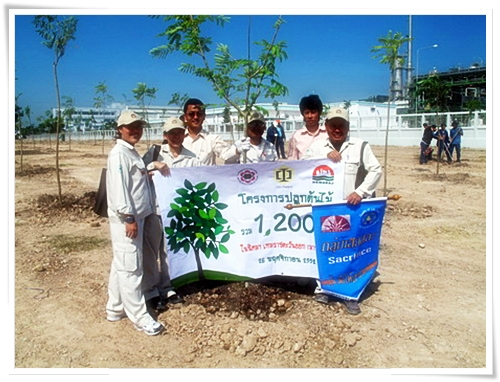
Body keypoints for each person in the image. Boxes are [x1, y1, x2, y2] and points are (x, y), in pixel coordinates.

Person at [302, 107, 382, 315]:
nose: (337, 129)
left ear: (347, 127)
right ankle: (325, 288)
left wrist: (361, 192)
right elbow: (301, 169)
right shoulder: (317, 147)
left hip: (352, 209)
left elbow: (376, 169)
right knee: (326, 250)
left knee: (351, 250)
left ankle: (351, 294)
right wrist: (323, 157)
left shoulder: (360, 146)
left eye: (341, 125)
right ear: (326, 127)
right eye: (333, 125)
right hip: (326, 210)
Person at [105, 110, 164, 336]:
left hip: (137, 217)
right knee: (131, 267)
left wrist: (151, 168)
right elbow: (120, 190)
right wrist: (128, 218)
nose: (135, 130)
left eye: (138, 126)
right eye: (130, 126)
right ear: (120, 129)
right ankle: (140, 318)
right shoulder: (118, 154)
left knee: (120, 263)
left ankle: (115, 307)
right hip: (127, 220)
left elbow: (134, 181)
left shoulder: (131, 153)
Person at [141, 117, 200, 311]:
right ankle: (150, 290)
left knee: (169, 252)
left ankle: (167, 287)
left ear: (184, 134)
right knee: (150, 252)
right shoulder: (155, 153)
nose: (176, 137)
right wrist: (152, 166)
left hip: (177, 213)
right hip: (154, 210)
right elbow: (137, 173)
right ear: (165, 135)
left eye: (179, 132)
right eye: (171, 133)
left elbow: (196, 182)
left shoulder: (192, 158)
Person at [181, 98, 233, 165]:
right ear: (185, 117)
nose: (195, 117)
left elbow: (226, 154)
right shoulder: (177, 139)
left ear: (204, 116)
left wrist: (237, 150)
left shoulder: (212, 140)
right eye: (191, 114)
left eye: (199, 114)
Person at [287, 94, 328, 160]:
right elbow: (292, 161)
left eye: (313, 112)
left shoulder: (327, 134)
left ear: (319, 113)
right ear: (303, 115)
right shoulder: (296, 136)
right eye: (306, 112)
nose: (309, 116)